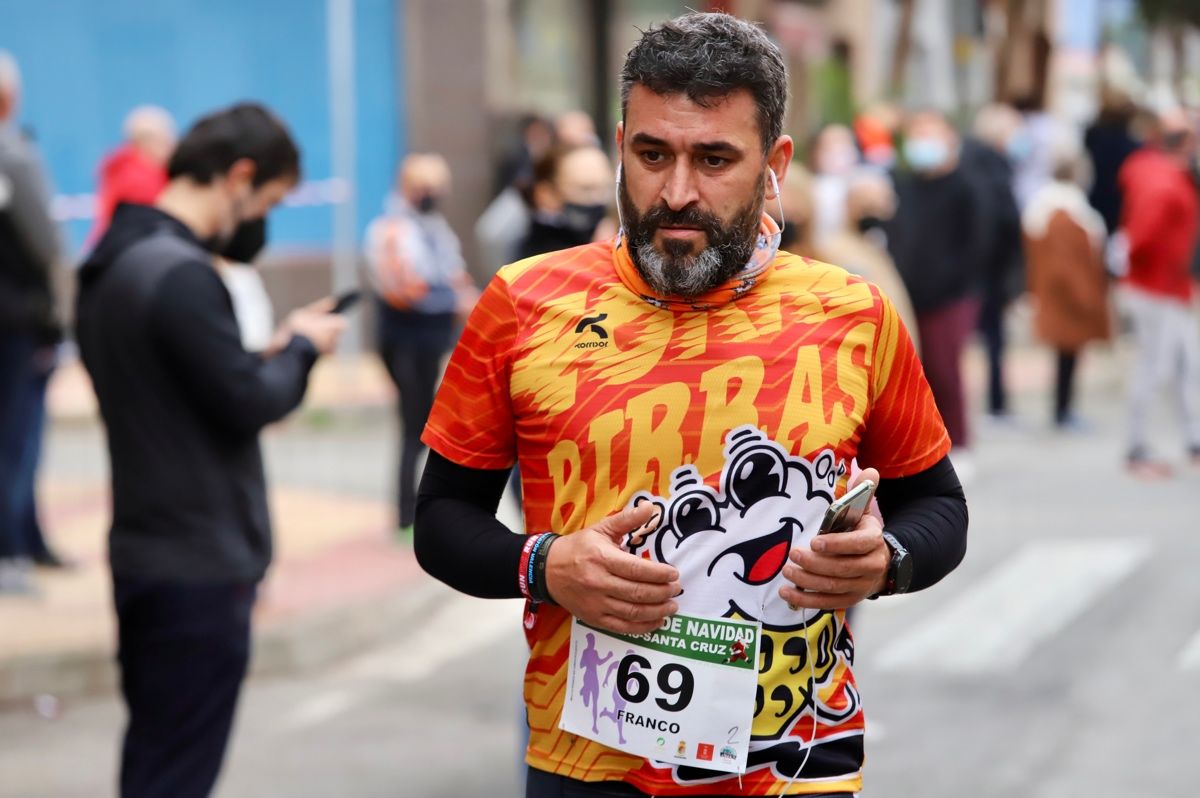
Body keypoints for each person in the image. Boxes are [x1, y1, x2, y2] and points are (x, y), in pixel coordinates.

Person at [415, 12, 968, 797]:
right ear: (619, 148)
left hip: (792, 771)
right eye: (652, 155)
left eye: (714, 159)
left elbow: (939, 506)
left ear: (774, 163)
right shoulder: (523, 302)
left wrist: (889, 561)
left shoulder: (853, 314)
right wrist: (541, 564)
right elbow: (440, 519)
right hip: (588, 767)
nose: (677, 192)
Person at [75, 102, 346, 798]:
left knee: (155, 758)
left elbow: (191, 384)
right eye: (271, 202)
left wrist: (268, 352)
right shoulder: (184, 275)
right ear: (240, 177)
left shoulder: (109, 264)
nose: (262, 221)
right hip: (200, 563)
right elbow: (248, 400)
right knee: (177, 773)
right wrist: (300, 351)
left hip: (144, 551)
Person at [365, 153, 477, 536]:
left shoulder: (434, 226)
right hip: (405, 339)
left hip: (431, 340)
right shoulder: (393, 230)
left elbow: (455, 273)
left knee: (430, 424)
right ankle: (404, 515)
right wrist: (454, 300)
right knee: (414, 425)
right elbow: (404, 290)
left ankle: (426, 509)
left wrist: (463, 297)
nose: (433, 194)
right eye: (425, 186)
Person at [887, 109, 987, 473]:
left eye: (930, 134)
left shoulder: (965, 186)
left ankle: (959, 444)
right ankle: (926, 447)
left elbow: (977, 242)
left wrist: (954, 282)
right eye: (917, 134)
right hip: (910, 292)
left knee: (946, 371)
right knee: (917, 375)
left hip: (951, 295)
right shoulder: (903, 184)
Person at [0, 50, 65, 593]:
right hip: (16, 323)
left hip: (17, 320)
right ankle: (12, 550)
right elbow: (47, 245)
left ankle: (26, 539)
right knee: (17, 439)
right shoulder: (13, 157)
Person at [1116, 108, 1200, 478]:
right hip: (1157, 287)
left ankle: (1192, 439)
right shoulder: (1164, 181)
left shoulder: (1154, 171)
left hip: (1167, 286)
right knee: (1157, 366)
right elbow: (1143, 236)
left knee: (1186, 366)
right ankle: (1137, 446)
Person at [1022, 133, 1112, 430]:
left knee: (1067, 357)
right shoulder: (1064, 214)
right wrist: (1087, 298)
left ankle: (1063, 409)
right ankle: (1062, 411)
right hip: (1069, 297)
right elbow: (1067, 265)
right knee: (1067, 356)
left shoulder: (1047, 208)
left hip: (1058, 294)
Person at [961, 103, 1026, 421]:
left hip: (979, 269)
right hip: (988, 270)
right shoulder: (992, 166)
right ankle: (996, 404)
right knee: (990, 340)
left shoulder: (974, 161)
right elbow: (1002, 220)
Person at [87, 105, 176, 246]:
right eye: (166, 140)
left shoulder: (119, 168)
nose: (172, 146)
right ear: (147, 141)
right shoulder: (139, 181)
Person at [516, 144, 614, 261]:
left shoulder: (618, 237)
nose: (599, 199)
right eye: (585, 189)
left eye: (607, 188)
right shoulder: (539, 257)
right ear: (547, 194)